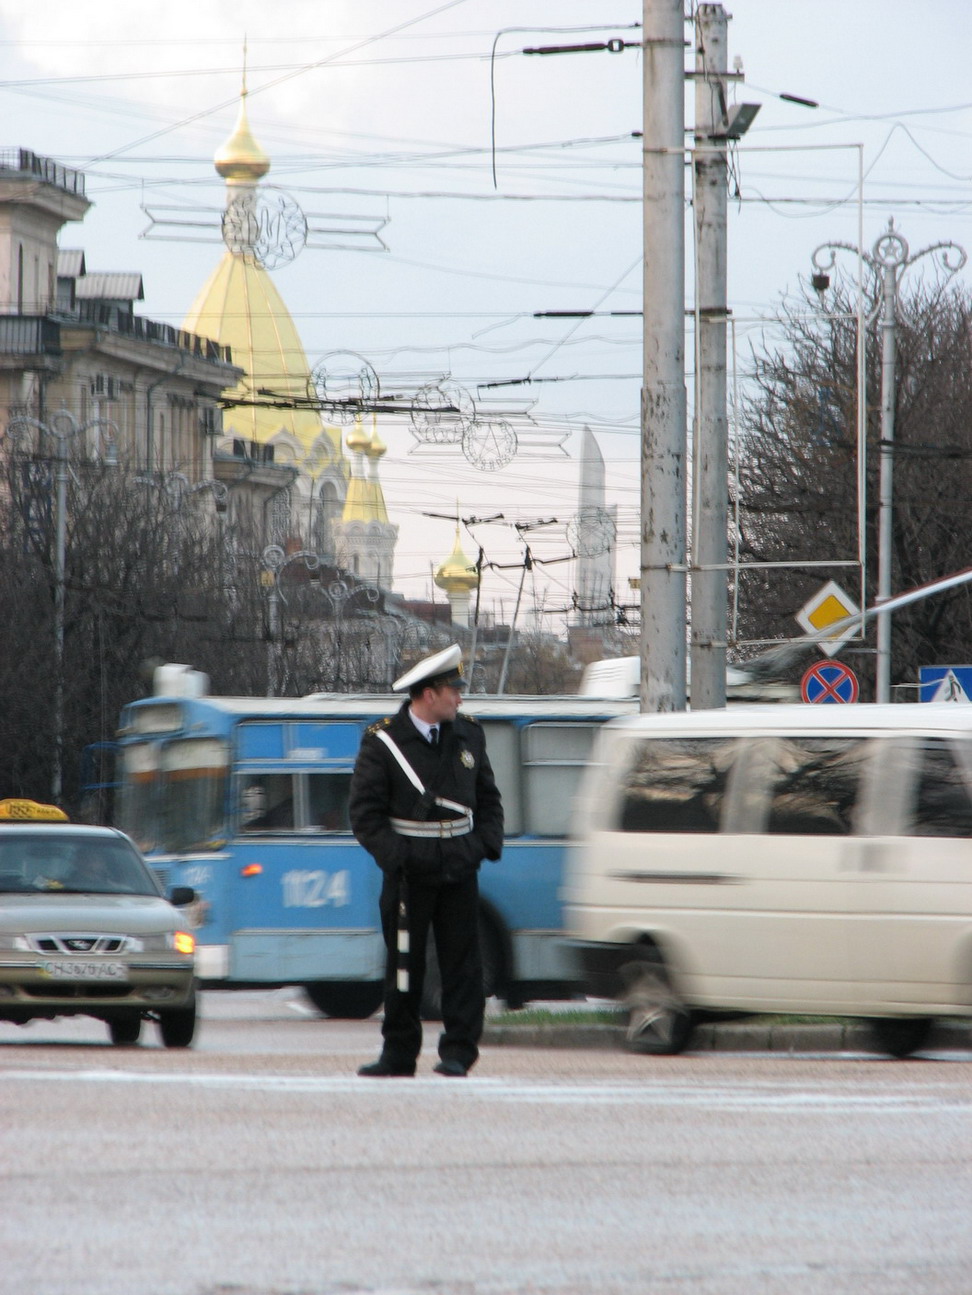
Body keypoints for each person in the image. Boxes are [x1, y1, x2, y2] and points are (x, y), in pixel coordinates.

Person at [349, 643, 504, 1078]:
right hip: (407, 874)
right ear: (428, 695)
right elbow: (365, 815)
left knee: (462, 965)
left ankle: (458, 1052)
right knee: (403, 964)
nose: (460, 697)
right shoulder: (383, 742)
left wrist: (483, 846)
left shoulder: (469, 735)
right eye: (453, 689)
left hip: (459, 865)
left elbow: (488, 800)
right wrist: (399, 859)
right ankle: (398, 1053)